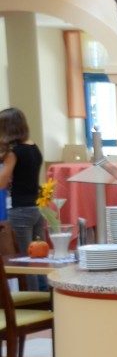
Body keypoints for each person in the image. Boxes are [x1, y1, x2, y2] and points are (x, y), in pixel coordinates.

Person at [0, 108, 46, 291]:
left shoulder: (13, 152)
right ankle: (44, 296)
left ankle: (33, 298)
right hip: (36, 208)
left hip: (20, 210)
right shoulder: (34, 148)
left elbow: (2, 183)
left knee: (25, 260)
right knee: (40, 257)